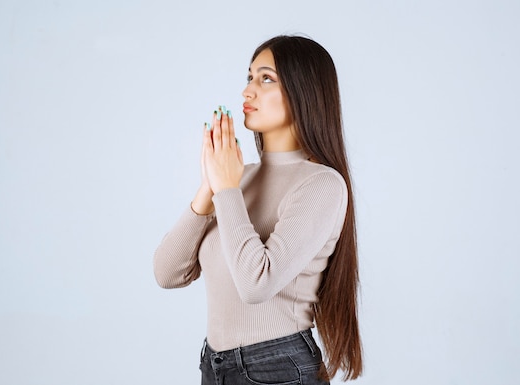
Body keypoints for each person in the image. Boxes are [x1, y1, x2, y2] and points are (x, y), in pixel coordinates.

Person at [154, 35, 363, 384]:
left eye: (266, 79)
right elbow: (167, 273)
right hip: (214, 366)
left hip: (277, 368)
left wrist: (227, 189)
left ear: (304, 91)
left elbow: (256, 284)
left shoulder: (322, 184)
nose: (247, 91)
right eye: (249, 77)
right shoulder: (236, 179)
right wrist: (209, 188)